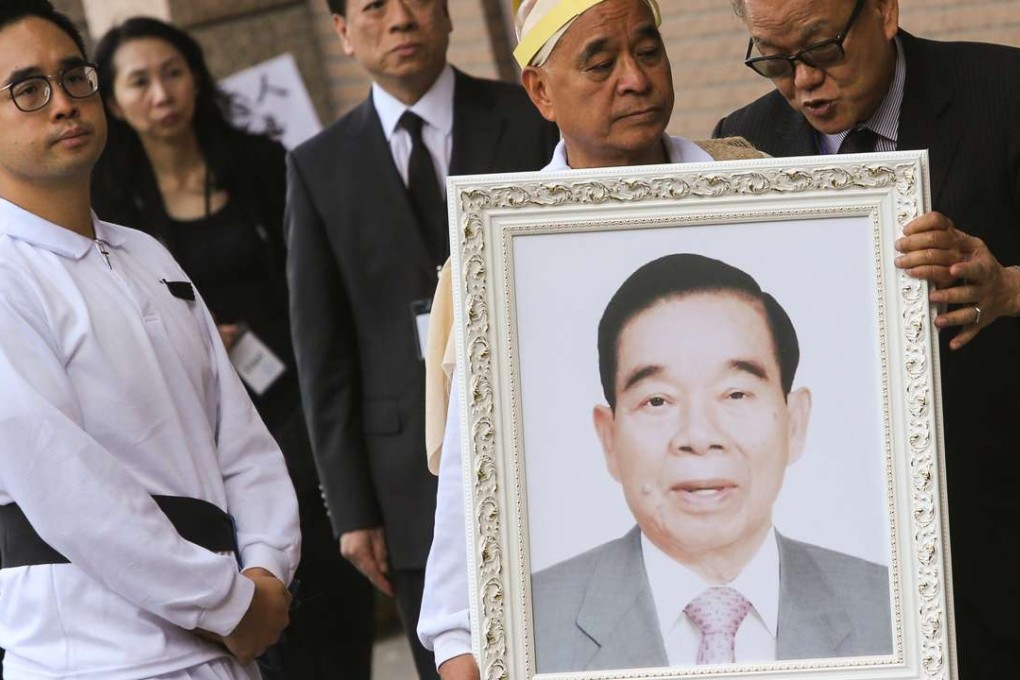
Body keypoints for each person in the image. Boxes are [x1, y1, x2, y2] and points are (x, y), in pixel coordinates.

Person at [415, 1, 766, 678]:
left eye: (649, 51)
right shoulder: (503, 251)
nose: (635, 79)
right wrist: (459, 639)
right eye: (600, 63)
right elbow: (473, 471)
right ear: (541, 91)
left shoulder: (757, 191)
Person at [714, 0, 1020, 672]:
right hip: (847, 556)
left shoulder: (1003, 91)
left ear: (883, 11)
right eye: (773, 60)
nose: (803, 84)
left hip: (999, 530)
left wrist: (1007, 290)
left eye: (822, 50)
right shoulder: (743, 144)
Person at [0, 1, 300, 679]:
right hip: (98, 654)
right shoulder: (7, 274)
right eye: (27, 89)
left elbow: (241, 440)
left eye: (75, 77)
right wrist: (227, 602)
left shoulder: (145, 254)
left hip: (224, 639)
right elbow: (70, 489)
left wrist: (265, 567)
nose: (64, 104)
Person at [89, 17, 374, 680]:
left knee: (329, 604)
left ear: (197, 77)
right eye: (139, 81)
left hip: (295, 406)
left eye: (173, 72)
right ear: (113, 100)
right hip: (199, 427)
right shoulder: (109, 204)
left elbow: (314, 284)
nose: (162, 93)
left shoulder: (260, 164)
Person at [283, 0, 559, 676]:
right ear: (344, 33)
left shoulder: (529, 116)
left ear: (446, 14)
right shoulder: (319, 165)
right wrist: (350, 510)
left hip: (537, 442)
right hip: (404, 481)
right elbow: (324, 353)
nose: (400, 19)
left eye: (418, 1)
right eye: (375, 7)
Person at [532, 253, 892, 672]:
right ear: (609, 438)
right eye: (657, 400)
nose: (699, 437)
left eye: (736, 394)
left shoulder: (896, 609)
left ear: (794, 422)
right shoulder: (527, 622)